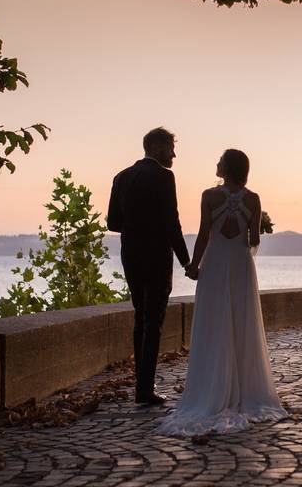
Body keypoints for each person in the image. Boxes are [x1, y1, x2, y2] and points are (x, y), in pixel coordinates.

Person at [154, 148, 287, 436]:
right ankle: (245, 390)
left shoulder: (208, 196)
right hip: (240, 265)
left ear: (227, 168)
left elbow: (204, 233)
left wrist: (192, 265)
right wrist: (258, 224)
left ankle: (211, 389)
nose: (216, 163)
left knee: (213, 323)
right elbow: (253, 240)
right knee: (242, 321)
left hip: (214, 265)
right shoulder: (253, 199)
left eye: (220, 161)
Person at [107, 127, 190, 405]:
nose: (173, 155)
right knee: (153, 321)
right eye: (170, 149)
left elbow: (112, 223)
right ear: (156, 147)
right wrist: (186, 260)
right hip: (156, 256)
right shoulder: (165, 177)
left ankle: (142, 386)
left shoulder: (121, 177)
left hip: (130, 254)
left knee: (139, 316)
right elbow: (171, 222)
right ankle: (144, 389)